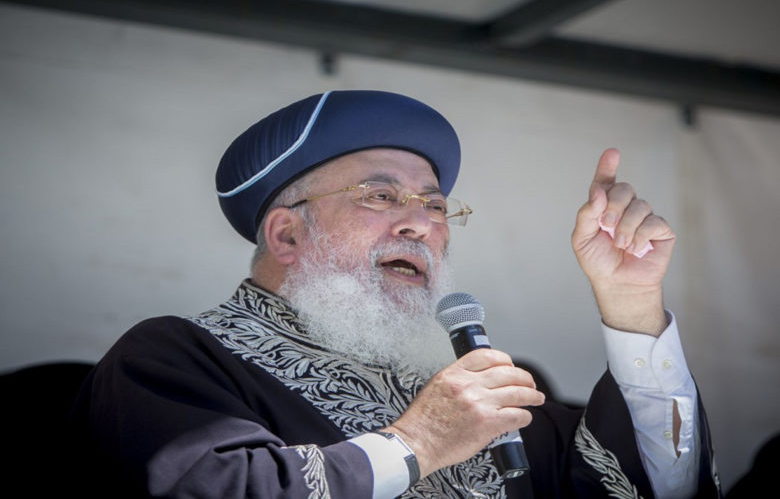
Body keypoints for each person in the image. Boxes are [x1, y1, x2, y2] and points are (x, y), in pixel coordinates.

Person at [71, 90, 720, 498]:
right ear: (287, 233)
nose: (421, 224)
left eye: (435, 206)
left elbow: (643, 485)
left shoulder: (472, 393)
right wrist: (419, 441)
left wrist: (631, 303)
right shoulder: (175, 357)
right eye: (381, 195)